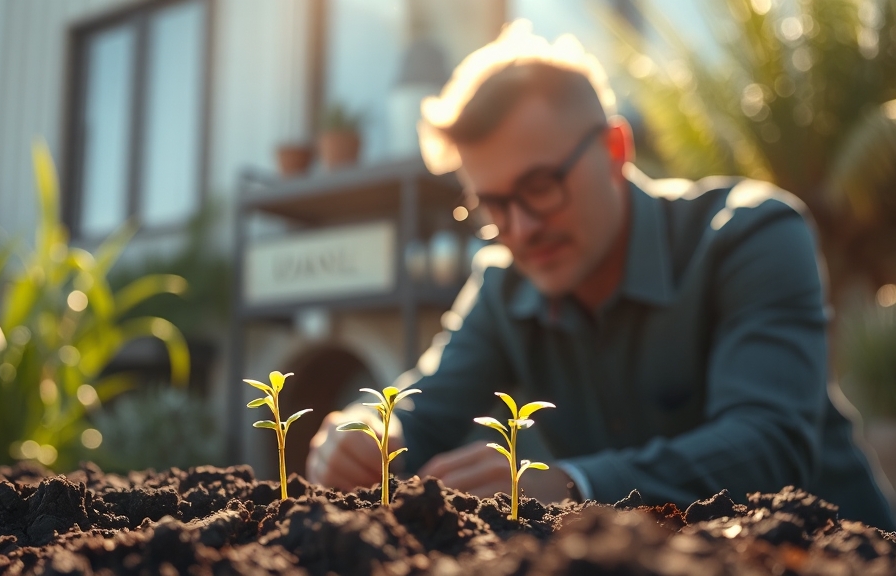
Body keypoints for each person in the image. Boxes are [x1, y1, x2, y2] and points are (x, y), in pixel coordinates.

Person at [305, 20, 896, 529]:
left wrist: (570, 486)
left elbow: (769, 443)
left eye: (540, 186)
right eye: (492, 205)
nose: (522, 228)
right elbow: (422, 405)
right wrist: (362, 434)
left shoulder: (749, 235)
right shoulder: (503, 284)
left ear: (615, 148)